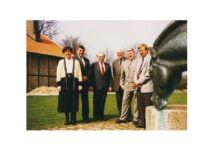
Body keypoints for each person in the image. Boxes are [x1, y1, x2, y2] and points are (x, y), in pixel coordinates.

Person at [56, 46, 82, 125]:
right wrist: (59, 84)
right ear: (64, 53)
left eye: (69, 51)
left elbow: (79, 73)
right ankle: (67, 120)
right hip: (64, 83)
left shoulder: (76, 62)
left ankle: (73, 119)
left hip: (74, 82)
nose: (68, 53)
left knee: (73, 101)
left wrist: (80, 84)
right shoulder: (61, 62)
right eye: (66, 52)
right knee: (66, 102)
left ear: (71, 53)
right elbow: (58, 73)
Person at [116, 48, 138, 123]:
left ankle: (136, 119)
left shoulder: (138, 61)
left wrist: (138, 83)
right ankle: (122, 118)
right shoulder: (124, 63)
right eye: (128, 53)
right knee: (124, 102)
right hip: (127, 86)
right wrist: (122, 85)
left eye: (131, 53)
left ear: (134, 53)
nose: (129, 54)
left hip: (135, 85)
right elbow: (122, 75)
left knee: (136, 103)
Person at [134, 44, 153, 128]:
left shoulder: (150, 59)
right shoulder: (138, 60)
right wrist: (135, 81)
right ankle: (142, 122)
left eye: (142, 50)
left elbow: (149, 73)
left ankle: (149, 122)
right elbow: (135, 72)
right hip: (138, 87)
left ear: (146, 50)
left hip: (147, 87)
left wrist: (139, 82)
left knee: (147, 106)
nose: (140, 52)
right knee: (140, 106)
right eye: (139, 50)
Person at [88, 52, 112, 121]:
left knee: (103, 101)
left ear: (104, 57)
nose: (101, 58)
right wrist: (90, 85)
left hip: (105, 87)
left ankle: (101, 115)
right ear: (97, 57)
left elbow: (110, 77)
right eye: (99, 56)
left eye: (102, 56)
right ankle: (95, 116)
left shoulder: (108, 66)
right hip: (96, 86)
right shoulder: (94, 65)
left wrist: (110, 86)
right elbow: (90, 76)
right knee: (96, 102)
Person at [111, 49, 132, 118]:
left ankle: (128, 116)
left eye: (120, 53)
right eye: (118, 53)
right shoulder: (114, 62)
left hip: (126, 84)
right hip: (117, 85)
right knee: (119, 102)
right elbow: (113, 74)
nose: (119, 54)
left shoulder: (128, 60)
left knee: (127, 101)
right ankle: (121, 115)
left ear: (123, 53)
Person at [75, 45, 90, 123]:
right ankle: (74, 118)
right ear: (77, 51)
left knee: (85, 101)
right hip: (76, 83)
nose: (81, 52)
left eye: (82, 51)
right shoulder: (74, 59)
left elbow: (89, 71)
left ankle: (85, 117)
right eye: (80, 50)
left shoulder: (87, 60)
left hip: (85, 83)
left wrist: (87, 77)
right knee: (75, 101)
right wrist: (81, 77)